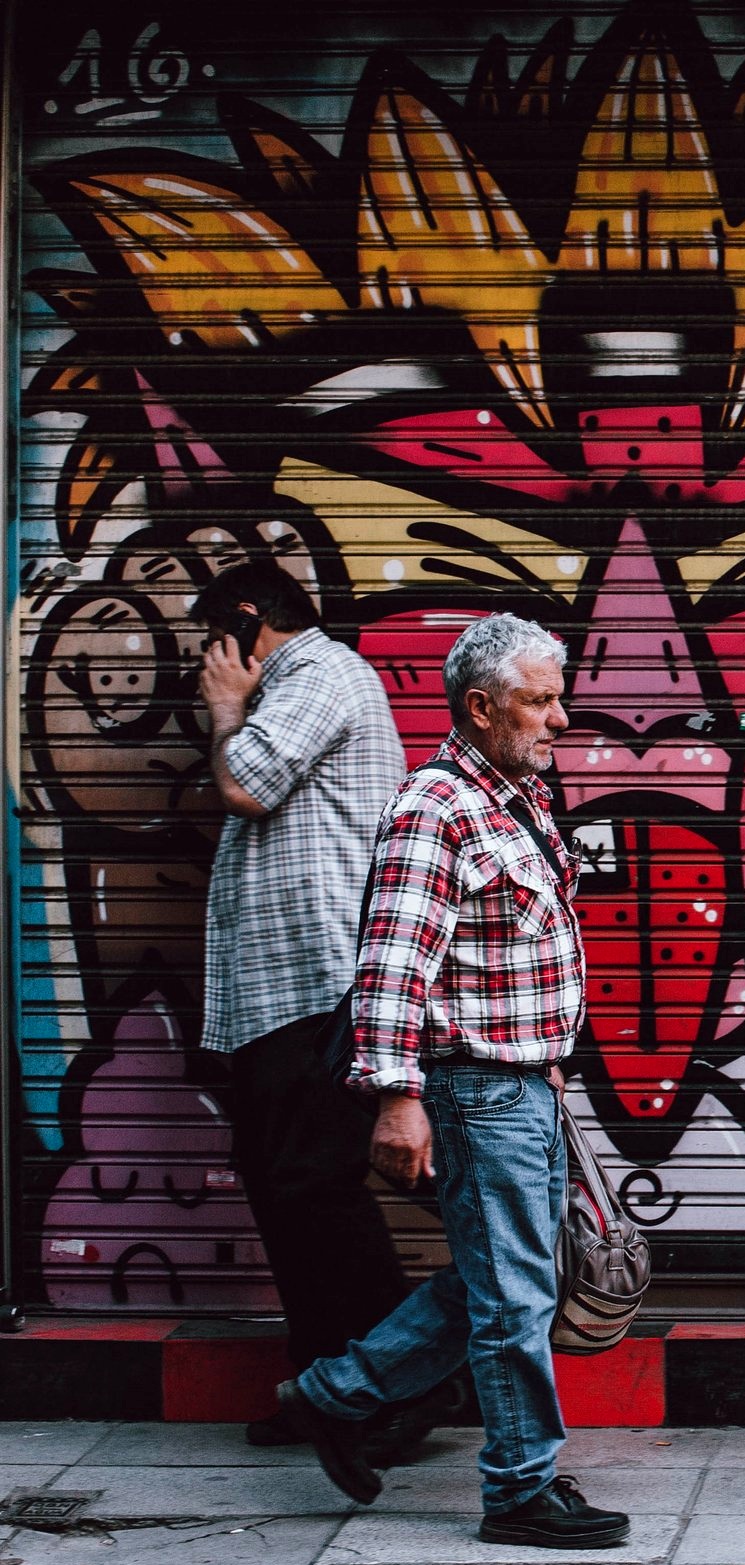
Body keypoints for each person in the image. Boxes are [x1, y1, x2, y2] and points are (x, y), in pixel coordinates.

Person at [272, 613, 629, 1550]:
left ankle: (332, 1397)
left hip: (530, 1084)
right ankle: (519, 1487)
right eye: (540, 700)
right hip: (477, 1088)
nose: (561, 717)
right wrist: (396, 1097)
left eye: (558, 696)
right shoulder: (436, 808)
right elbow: (392, 963)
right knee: (515, 1292)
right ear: (481, 705)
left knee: (509, 1278)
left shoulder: (515, 796)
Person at [189, 564, 463, 1460]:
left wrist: (229, 707)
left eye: (210, 645)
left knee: (317, 1190)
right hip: (275, 995)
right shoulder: (305, 686)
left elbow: (247, 786)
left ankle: (397, 1389)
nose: (202, 666)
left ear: (244, 623)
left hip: (319, 985)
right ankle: (326, 1390)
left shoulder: (322, 674)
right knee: (286, 1193)